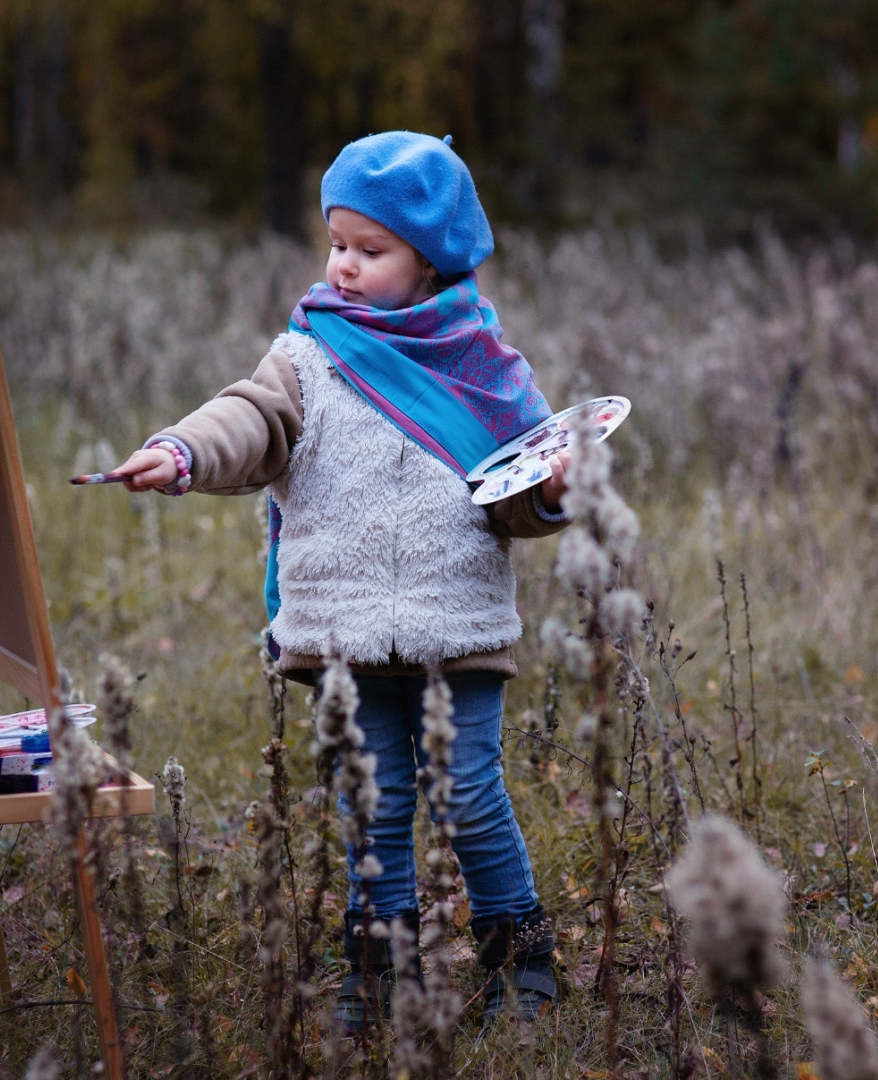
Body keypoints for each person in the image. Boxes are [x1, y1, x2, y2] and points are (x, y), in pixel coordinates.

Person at [111, 131, 572, 1030]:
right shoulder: (309, 355)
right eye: (337, 243)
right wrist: (182, 451)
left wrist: (552, 492)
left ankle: (518, 954)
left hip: (458, 626)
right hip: (343, 625)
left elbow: (517, 493)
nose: (345, 266)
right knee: (375, 796)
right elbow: (249, 419)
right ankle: (377, 963)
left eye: (372, 250)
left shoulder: (486, 368)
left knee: (469, 791)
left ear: (432, 259)